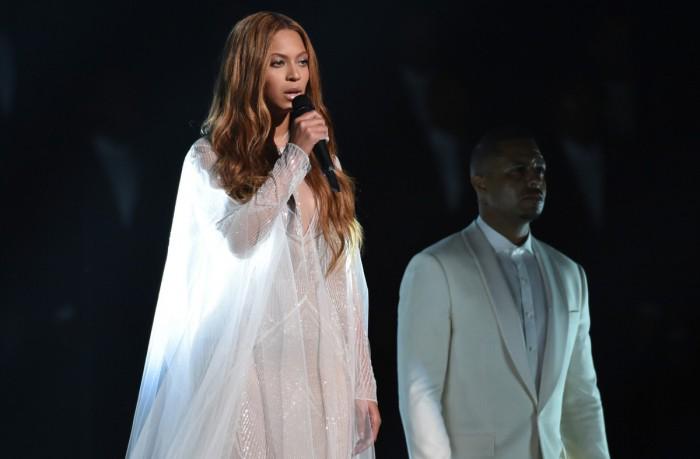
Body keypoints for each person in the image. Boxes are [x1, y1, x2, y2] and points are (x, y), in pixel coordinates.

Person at [126, 12, 380, 458]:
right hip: (250, 363)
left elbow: (343, 279)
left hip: (321, 363)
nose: (295, 75)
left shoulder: (325, 163)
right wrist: (294, 156)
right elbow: (240, 241)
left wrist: (364, 383)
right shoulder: (211, 158)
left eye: (302, 61)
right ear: (248, 70)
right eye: (278, 63)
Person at [397, 128, 609, 459]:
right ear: (480, 182)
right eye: (518, 170)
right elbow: (420, 392)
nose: (534, 179)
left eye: (539, 169)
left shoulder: (569, 274)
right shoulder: (436, 267)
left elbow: (581, 396)